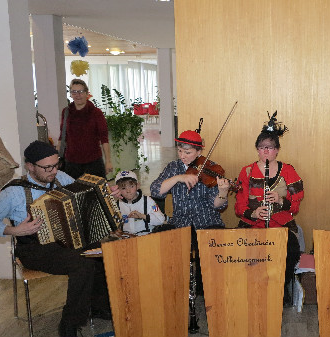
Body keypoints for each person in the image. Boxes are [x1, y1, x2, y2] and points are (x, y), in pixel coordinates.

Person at [0, 141, 116, 337]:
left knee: (101, 251)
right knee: (81, 264)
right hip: (33, 248)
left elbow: (84, 192)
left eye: (56, 164)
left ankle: (98, 306)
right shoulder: (13, 192)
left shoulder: (60, 177)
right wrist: (13, 231)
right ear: (30, 166)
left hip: (63, 241)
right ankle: (69, 325)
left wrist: (107, 193)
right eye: (47, 167)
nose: (53, 171)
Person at [150, 124, 230, 294]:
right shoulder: (173, 167)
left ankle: (206, 291)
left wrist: (223, 192)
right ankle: (174, 289)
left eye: (188, 152)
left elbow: (217, 205)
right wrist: (179, 177)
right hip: (181, 222)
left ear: (199, 152)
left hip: (207, 221)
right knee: (161, 244)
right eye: (180, 151)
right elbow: (155, 190)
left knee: (212, 250)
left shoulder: (212, 168)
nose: (183, 156)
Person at [234, 112, 303, 306]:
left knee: (290, 250)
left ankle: (281, 288)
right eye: (262, 147)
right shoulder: (246, 171)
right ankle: (250, 290)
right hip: (251, 224)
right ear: (257, 150)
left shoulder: (288, 170)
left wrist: (282, 200)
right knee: (242, 253)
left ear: (277, 150)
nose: (266, 151)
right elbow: (239, 206)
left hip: (280, 225)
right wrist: (253, 213)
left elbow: (295, 206)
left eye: (270, 148)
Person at [58, 79, 112, 179]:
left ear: (87, 93)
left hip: (93, 163)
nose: (77, 95)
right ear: (70, 94)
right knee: (74, 193)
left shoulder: (96, 113)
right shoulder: (66, 112)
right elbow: (62, 136)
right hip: (71, 164)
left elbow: (104, 138)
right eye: (74, 92)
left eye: (81, 91)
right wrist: (56, 160)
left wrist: (108, 161)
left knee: (95, 193)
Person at [116, 170, 165, 235]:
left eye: (131, 186)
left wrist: (142, 216)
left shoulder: (148, 201)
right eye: (123, 188)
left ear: (138, 186)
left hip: (146, 236)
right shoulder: (117, 205)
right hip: (126, 238)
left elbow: (161, 220)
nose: (128, 191)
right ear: (118, 190)